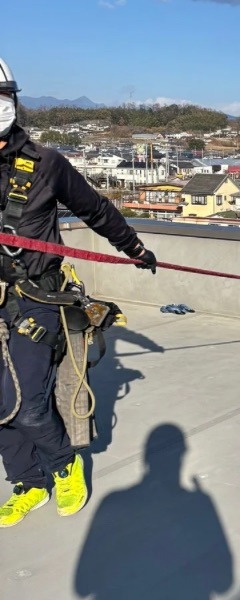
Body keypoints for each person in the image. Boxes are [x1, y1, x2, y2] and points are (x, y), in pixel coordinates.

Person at [0, 56, 157, 527]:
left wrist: (133, 248)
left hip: (35, 299)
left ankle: (64, 465)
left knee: (28, 404)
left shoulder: (45, 164)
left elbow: (95, 209)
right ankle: (28, 481)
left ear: (12, 102)